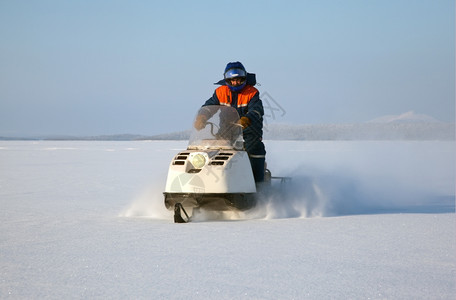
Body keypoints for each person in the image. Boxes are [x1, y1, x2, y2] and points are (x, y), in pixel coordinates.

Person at [194, 61, 266, 182]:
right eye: (232, 80)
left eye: (238, 79)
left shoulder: (252, 92)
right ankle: (210, 181)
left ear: (244, 78)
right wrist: (202, 116)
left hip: (249, 130)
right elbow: (209, 106)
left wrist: (248, 118)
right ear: (227, 79)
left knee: (254, 149)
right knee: (213, 150)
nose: (235, 82)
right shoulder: (220, 92)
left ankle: (257, 184)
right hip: (226, 130)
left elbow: (257, 110)